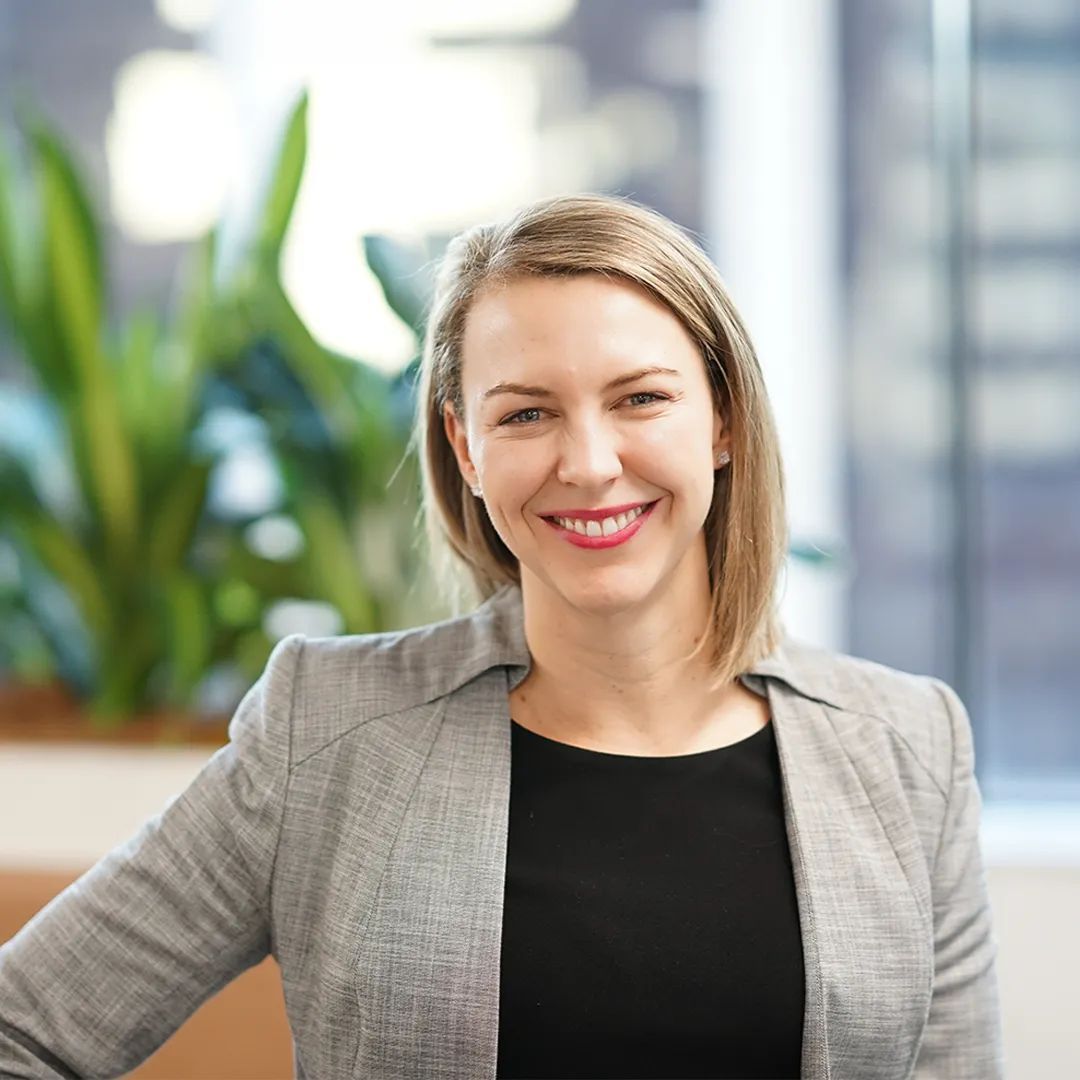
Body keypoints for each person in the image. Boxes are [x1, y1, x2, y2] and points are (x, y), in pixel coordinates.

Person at [0, 193, 1003, 1079]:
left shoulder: (908, 747)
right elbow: (23, 1030)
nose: (590, 462)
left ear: (724, 418)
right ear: (464, 448)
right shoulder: (329, 730)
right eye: (526, 415)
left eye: (641, 398)